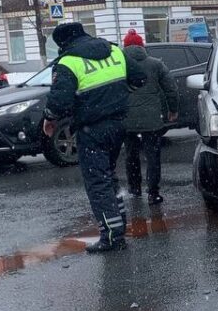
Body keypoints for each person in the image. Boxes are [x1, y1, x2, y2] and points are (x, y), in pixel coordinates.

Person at [43, 22, 143, 253]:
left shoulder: (68, 62)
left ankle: (111, 236)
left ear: (62, 42)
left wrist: (50, 118)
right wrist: (117, 98)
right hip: (119, 125)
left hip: (91, 129)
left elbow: (60, 101)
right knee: (109, 178)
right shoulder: (115, 50)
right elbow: (139, 78)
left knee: (98, 182)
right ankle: (118, 227)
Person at [121, 29, 178, 205]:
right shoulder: (155, 64)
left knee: (131, 155)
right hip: (152, 119)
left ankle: (134, 189)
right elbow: (171, 88)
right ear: (142, 46)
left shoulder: (119, 65)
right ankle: (153, 193)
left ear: (124, 47)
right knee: (152, 156)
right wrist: (172, 109)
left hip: (126, 120)